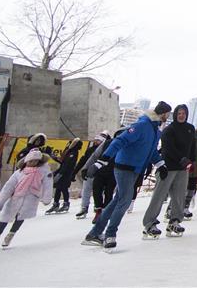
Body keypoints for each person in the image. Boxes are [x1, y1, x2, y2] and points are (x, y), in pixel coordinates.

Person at [83, 101, 170, 250]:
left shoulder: (155, 130)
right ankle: (110, 235)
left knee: (118, 200)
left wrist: (161, 164)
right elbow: (119, 141)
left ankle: (95, 233)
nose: (167, 117)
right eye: (167, 114)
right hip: (124, 167)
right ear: (163, 113)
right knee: (125, 200)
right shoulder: (142, 125)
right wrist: (103, 160)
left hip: (135, 169)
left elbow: (151, 151)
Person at [0, 150, 54, 252]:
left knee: (21, 216)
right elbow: (8, 186)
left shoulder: (43, 171)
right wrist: (0, 202)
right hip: (16, 197)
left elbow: (48, 184)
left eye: (35, 161)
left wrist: (46, 197)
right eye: (31, 161)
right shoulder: (19, 172)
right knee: (5, 216)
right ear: (26, 161)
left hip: (31, 198)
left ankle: (11, 233)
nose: (33, 163)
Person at [142, 104, 194, 238]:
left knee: (179, 197)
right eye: (179, 113)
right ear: (175, 114)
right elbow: (168, 148)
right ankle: (149, 223)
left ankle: (175, 221)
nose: (181, 115)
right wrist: (181, 159)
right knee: (159, 196)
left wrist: (191, 161)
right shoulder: (169, 129)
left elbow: (192, 146)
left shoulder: (190, 128)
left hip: (182, 168)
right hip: (168, 167)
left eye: (184, 113)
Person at [80, 130, 115, 223]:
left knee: (109, 192)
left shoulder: (123, 145)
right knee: (96, 190)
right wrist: (85, 169)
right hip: (100, 171)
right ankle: (98, 210)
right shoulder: (106, 144)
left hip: (113, 173)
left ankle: (106, 211)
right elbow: (94, 156)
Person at [44, 138, 81, 215]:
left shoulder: (73, 152)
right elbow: (62, 161)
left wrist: (60, 173)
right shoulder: (68, 151)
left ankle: (66, 204)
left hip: (66, 173)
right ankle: (56, 204)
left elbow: (67, 164)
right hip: (62, 171)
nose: (68, 145)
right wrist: (51, 155)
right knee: (58, 188)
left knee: (64, 188)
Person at [72, 133, 103, 219]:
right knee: (86, 190)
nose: (96, 142)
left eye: (98, 140)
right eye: (95, 140)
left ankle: (98, 207)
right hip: (89, 173)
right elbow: (83, 160)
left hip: (100, 174)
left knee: (99, 191)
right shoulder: (90, 150)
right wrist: (76, 171)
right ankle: (84, 208)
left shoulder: (105, 150)